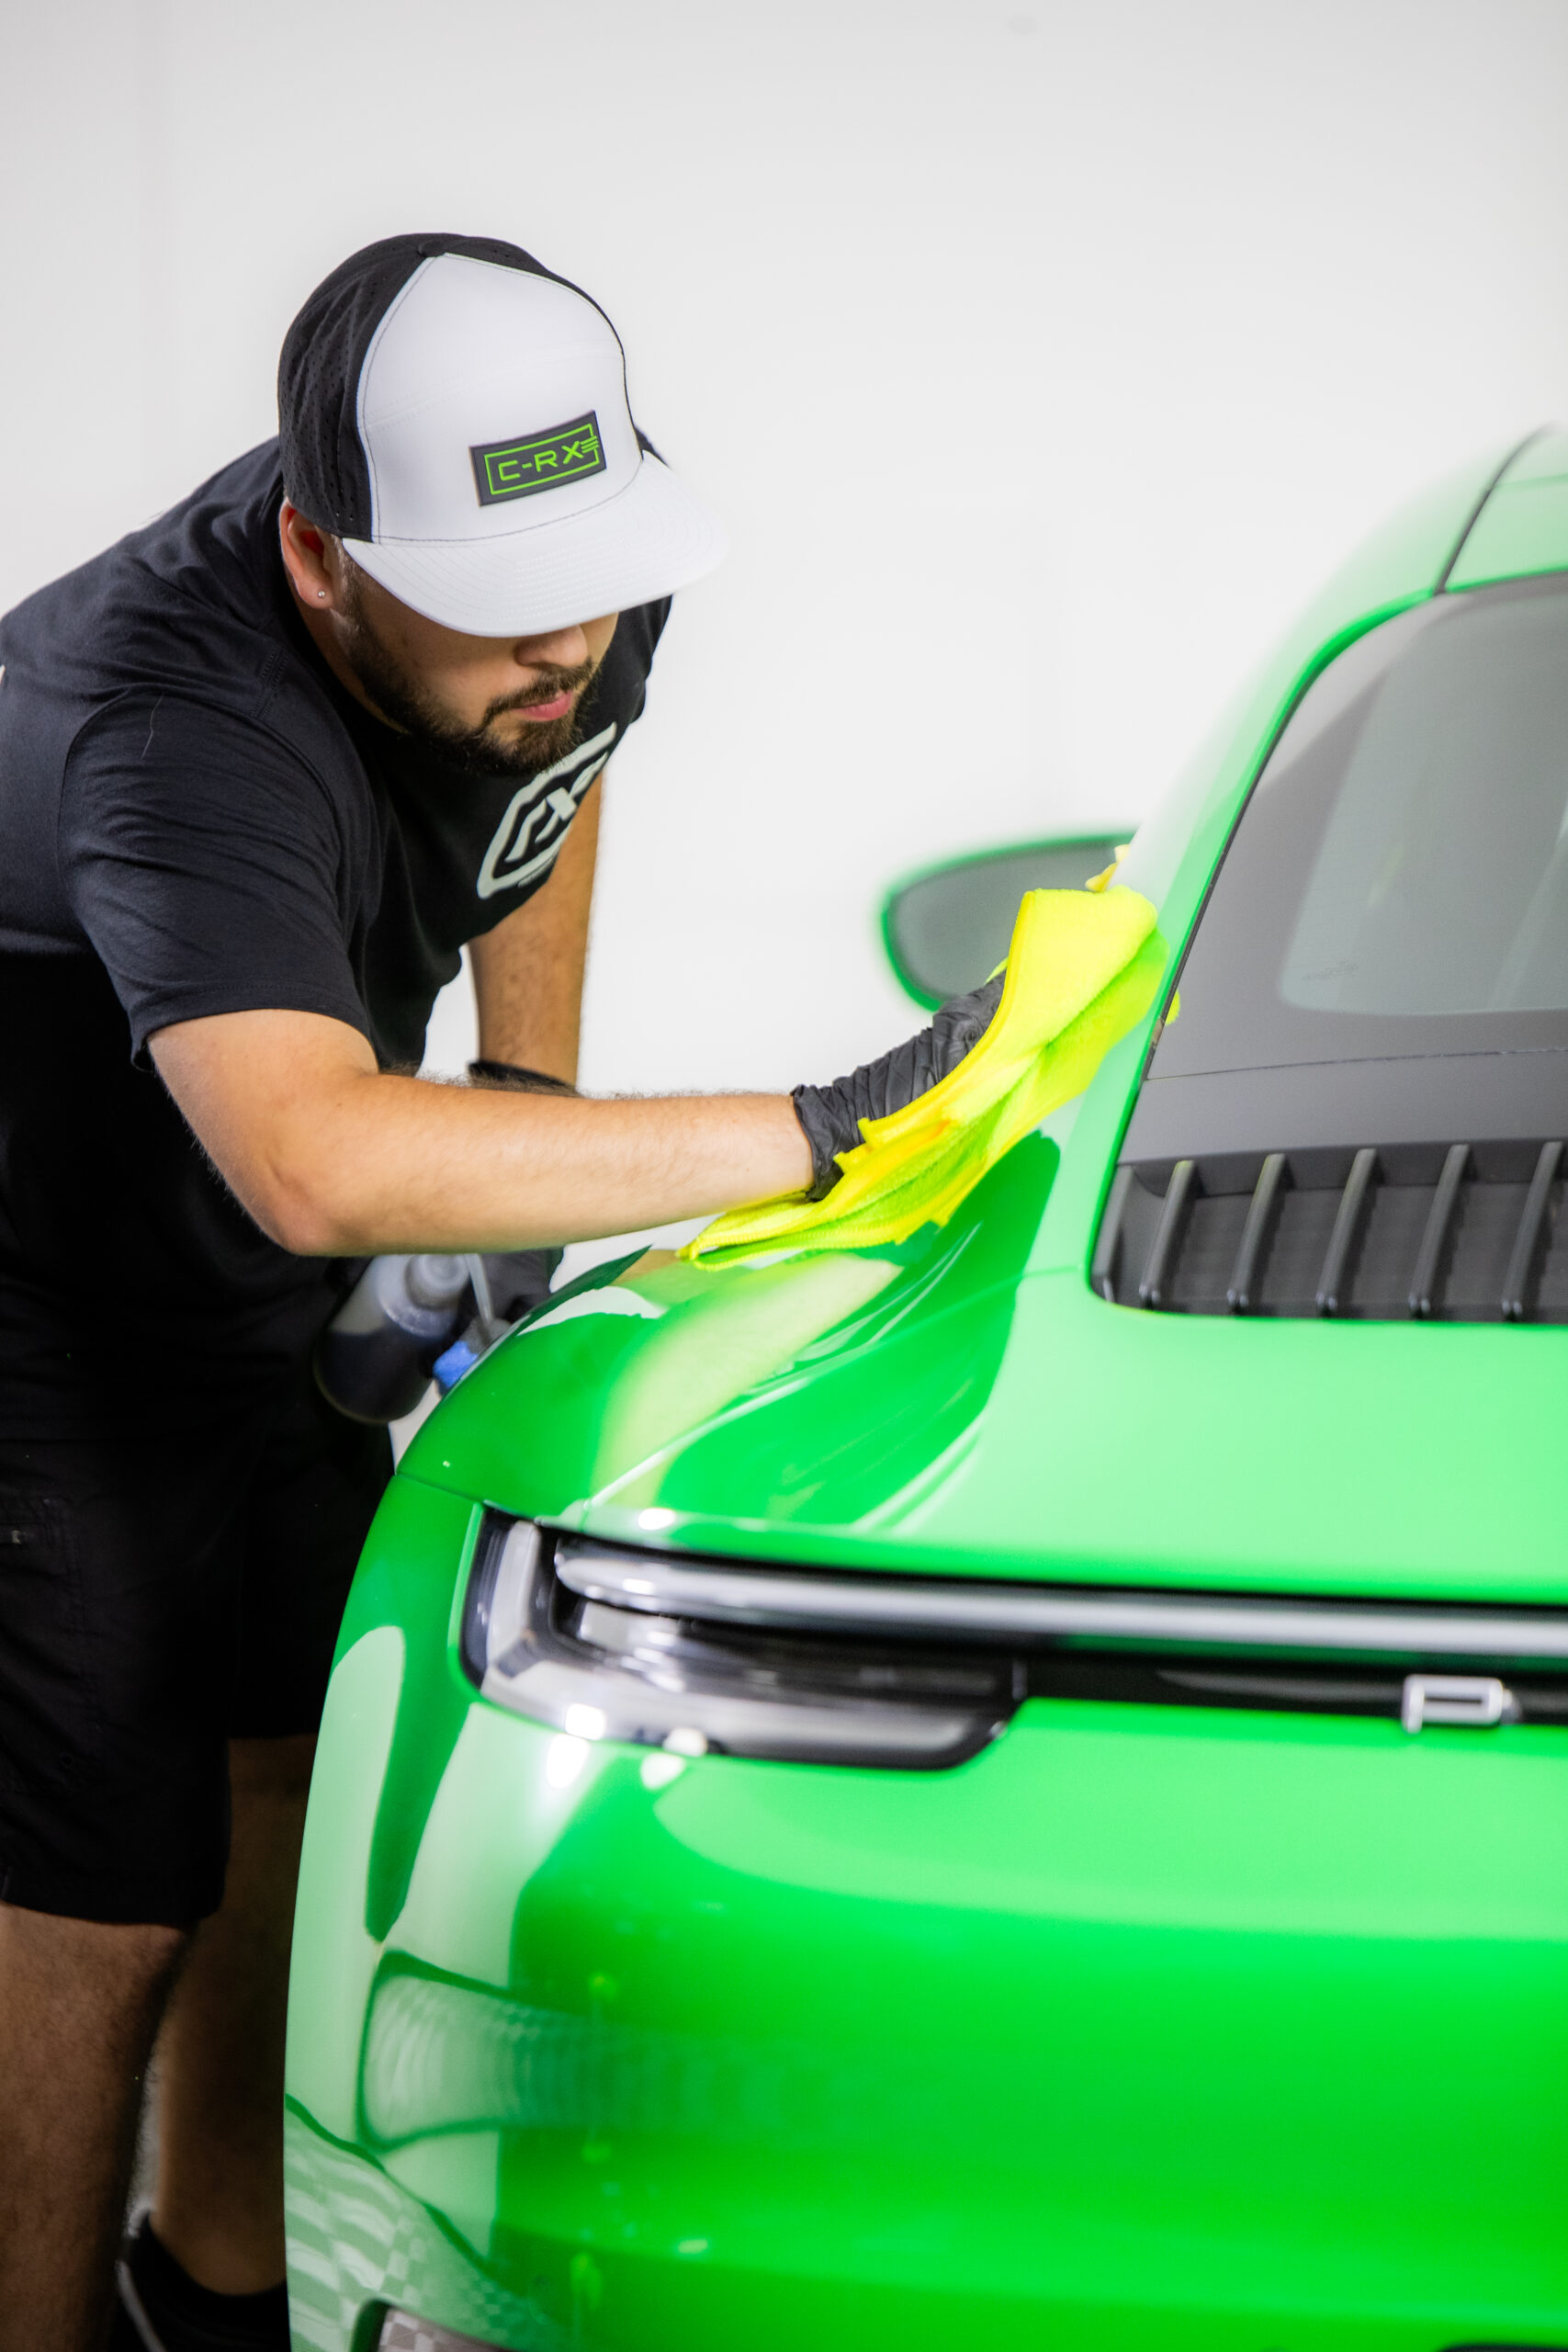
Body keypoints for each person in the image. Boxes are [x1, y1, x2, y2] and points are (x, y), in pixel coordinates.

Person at [0, 232, 1001, 2351]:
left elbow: (551, 779)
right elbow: (315, 1157)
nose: (571, 637)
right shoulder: (166, 726)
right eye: (499, 605)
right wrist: (824, 1122)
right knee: (96, 1874)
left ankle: (215, 2292)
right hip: (33, 1291)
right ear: (320, 559)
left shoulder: (562, 582)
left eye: (598, 582)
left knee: (288, 1764)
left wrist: (522, 1101)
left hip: (230, 1243)